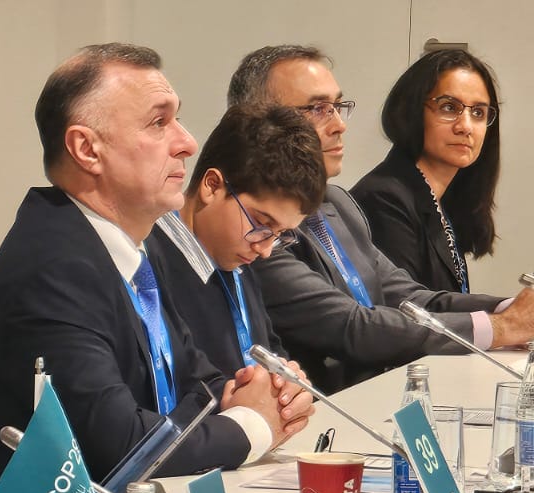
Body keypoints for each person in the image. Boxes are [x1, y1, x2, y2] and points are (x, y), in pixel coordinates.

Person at [0, 44, 314, 493]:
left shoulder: (124, 250)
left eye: (179, 120)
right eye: (158, 123)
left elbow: (195, 381)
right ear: (87, 150)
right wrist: (254, 425)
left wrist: (265, 392)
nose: (187, 143)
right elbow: (124, 448)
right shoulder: (52, 267)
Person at [234, 45, 534, 390]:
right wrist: (503, 327)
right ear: (258, 120)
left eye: (338, 107)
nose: (339, 126)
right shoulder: (253, 225)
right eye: (318, 109)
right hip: (328, 411)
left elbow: (414, 299)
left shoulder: (337, 203)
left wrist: (514, 308)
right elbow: (353, 326)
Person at [148, 104, 326, 373]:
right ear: (212, 186)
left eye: (279, 235)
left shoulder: (238, 262)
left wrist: (286, 385)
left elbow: (270, 350)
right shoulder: (149, 262)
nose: (265, 249)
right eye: (262, 223)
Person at [352, 49, 502, 295]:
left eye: (478, 112)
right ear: (411, 111)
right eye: (449, 107)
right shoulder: (384, 198)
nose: (465, 126)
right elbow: (407, 312)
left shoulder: (442, 199)